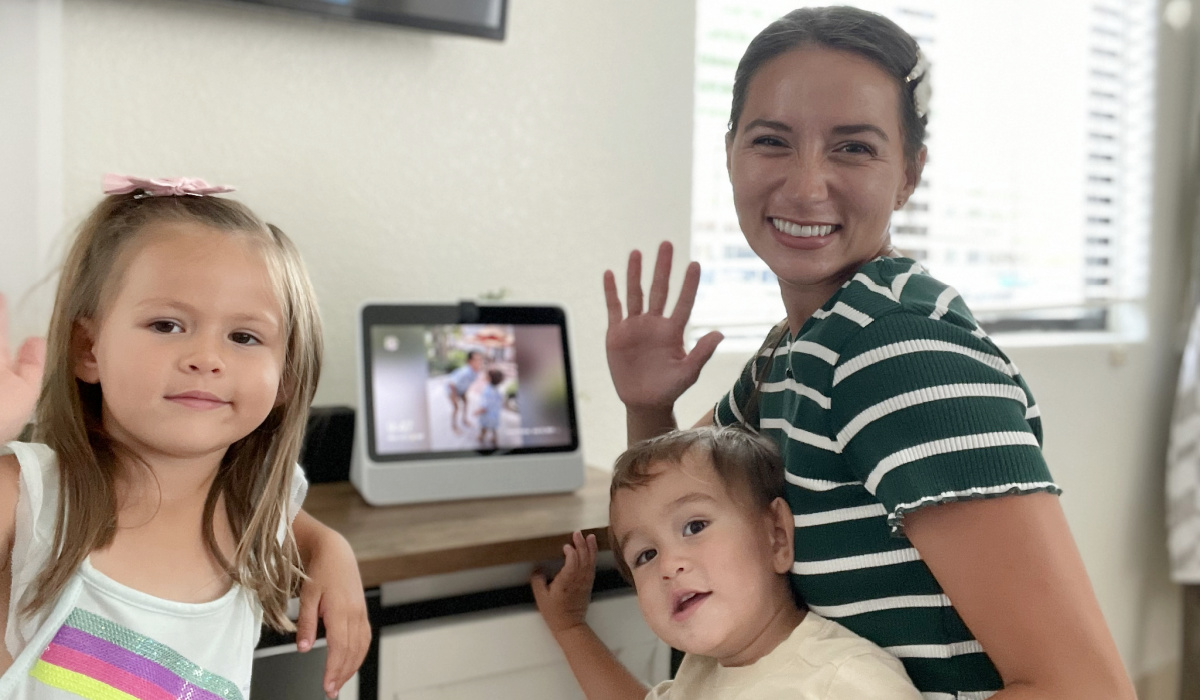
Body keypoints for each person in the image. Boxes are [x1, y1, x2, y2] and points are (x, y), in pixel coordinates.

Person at [602, 7, 1135, 698]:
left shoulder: (895, 351)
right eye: (771, 141)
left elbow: (1085, 689)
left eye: (853, 148)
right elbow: (675, 516)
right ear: (730, 151)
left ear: (909, 173)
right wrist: (648, 406)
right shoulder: (795, 347)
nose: (805, 186)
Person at [0, 175, 370, 699]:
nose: (206, 358)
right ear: (88, 349)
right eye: (167, 325)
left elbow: (283, 514)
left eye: (244, 336)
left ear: (285, 376)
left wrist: (331, 548)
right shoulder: (28, 497)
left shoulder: (253, 508)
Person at [532, 426, 922, 700]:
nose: (669, 565)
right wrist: (570, 628)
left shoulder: (846, 681)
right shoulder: (699, 672)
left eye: (694, 526)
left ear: (776, 536)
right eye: (645, 555)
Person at [447, 350, 484, 433]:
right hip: (452, 389)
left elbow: (468, 382)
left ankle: (464, 420)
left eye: (480, 359)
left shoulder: (476, 372)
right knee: (456, 408)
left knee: (466, 403)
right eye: (476, 360)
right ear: (469, 361)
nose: (479, 362)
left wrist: (465, 391)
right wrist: (454, 396)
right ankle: (454, 426)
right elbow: (451, 384)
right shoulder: (464, 372)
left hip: (461, 390)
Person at [476, 368, 505, 447]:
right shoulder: (498, 390)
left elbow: (484, 405)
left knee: (484, 426)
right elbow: (500, 401)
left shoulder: (487, 391)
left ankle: (481, 436)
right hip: (495, 414)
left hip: (487, 415)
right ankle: (494, 438)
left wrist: (478, 411)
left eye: (486, 375)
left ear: (489, 379)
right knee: (494, 428)